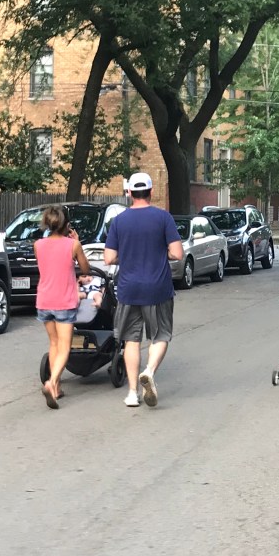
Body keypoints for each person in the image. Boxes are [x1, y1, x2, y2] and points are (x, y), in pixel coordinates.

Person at [103, 172, 183, 408]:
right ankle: (148, 371)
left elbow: (109, 258)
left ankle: (131, 393)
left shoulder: (119, 221)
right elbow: (177, 254)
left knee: (131, 340)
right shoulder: (163, 218)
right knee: (161, 335)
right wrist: (161, 254)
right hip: (158, 288)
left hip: (129, 289)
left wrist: (127, 257)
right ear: (151, 192)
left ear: (129, 193)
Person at [34, 206, 91, 409]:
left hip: (44, 300)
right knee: (65, 346)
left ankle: (56, 388)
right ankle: (51, 382)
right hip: (64, 301)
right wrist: (78, 243)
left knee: (53, 344)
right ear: (67, 225)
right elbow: (85, 269)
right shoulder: (73, 245)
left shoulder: (38, 245)